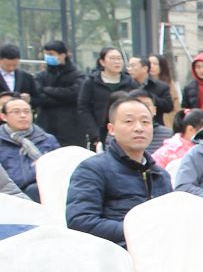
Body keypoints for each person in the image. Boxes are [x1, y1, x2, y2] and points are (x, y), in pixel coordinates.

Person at [65, 93, 172, 245]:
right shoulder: (92, 169)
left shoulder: (160, 174)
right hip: (115, 251)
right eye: (129, 121)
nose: (139, 128)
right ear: (111, 128)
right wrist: (137, 231)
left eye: (145, 122)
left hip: (159, 249)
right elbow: (80, 221)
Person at [76, 46, 139, 148]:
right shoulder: (91, 82)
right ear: (102, 62)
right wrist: (94, 134)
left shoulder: (130, 82)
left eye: (119, 58)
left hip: (126, 132)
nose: (117, 62)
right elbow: (84, 108)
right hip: (100, 133)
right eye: (112, 58)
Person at [0, 94, 60, 200]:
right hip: (11, 194)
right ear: (4, 116)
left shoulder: (47, 139)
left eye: (27, 111)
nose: (23, 115)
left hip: (46, 188)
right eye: (16, 112)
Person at [33, 40, 85, 146]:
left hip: (71, 128)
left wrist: (47, 90)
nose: (47, 57)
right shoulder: (41, 76)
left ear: (63, 55)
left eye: (51, 54)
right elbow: (38, 97)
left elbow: (75, 94)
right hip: (46, 125)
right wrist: (63, 97)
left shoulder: (77, 75)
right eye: (46, 54)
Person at [125, 53, 173, 122]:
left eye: (133, 66)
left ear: (145, 68)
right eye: (129, 66)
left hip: (154, 124)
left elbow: (168, 107)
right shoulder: (125, 85)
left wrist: (150, 96)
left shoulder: (161, 86)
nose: (129, 69)